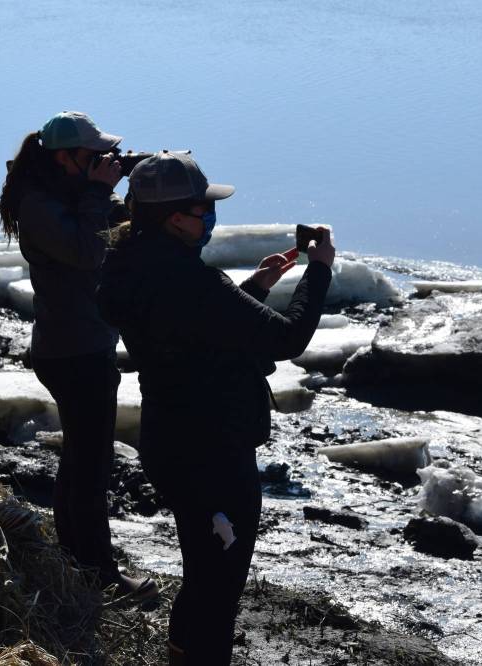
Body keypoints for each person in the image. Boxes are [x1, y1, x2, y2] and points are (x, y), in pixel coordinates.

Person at [97, 152, 335, 664]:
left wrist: (254, 288)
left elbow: (191, 331)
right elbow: (288, 338)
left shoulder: (128, 265)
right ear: (173, 217)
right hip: (213, 453)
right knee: (217, 586)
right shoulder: (193, 283)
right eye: (202, 208)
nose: (210, 217)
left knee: (202, 574)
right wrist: (318, 272)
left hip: (170, 437)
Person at [0, 111, 157, 599]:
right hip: (74, 351)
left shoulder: (63, 195)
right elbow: (88, 254)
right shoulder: (40, 206)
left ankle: (78, 560)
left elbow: (118, 237)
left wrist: (130, 186)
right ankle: (100, 573)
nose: (104, 161)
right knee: (91, 469)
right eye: (95, 156)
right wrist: (97, 192)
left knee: (81, 463)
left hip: (80, 346)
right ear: (67, 159)